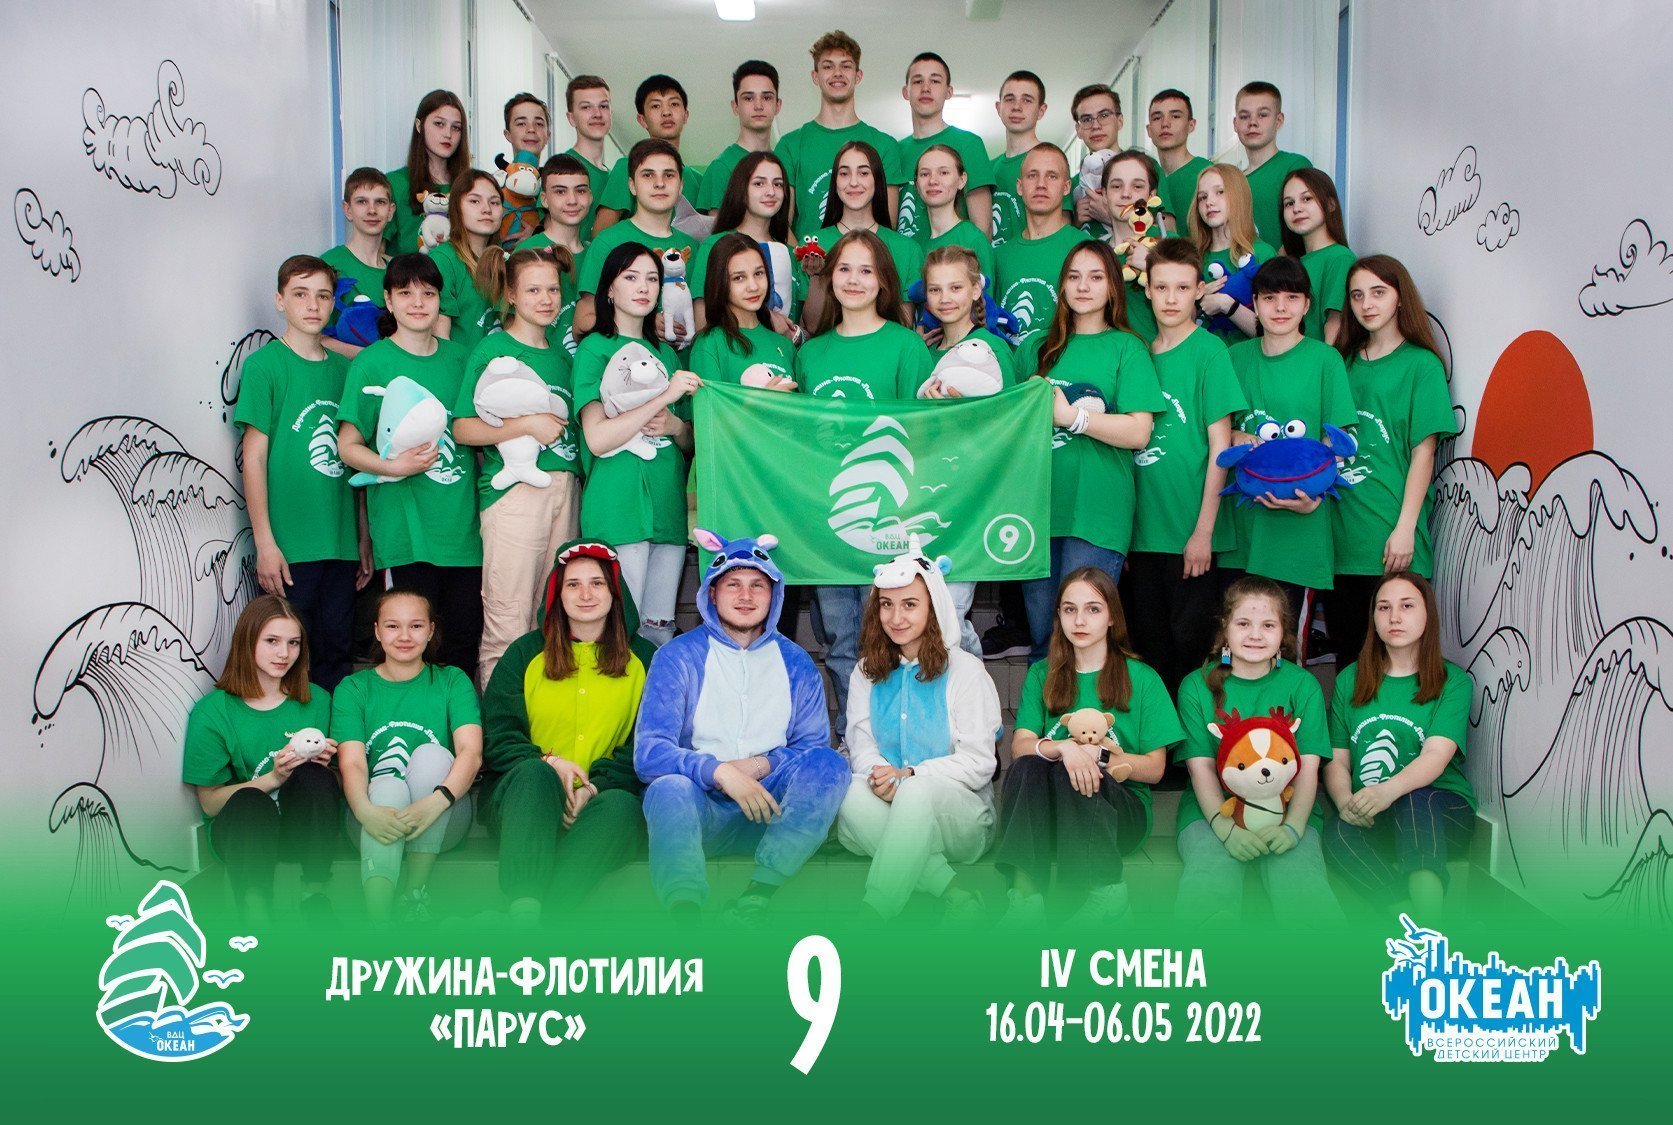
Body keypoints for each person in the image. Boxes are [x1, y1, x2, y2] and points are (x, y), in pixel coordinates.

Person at [636, 530, 847, 919]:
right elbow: (650, 752)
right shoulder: (676, 656)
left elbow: (812, 747)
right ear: (712, 593)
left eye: (757, 585)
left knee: (830, 764)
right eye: (733, 584)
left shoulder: (796, 662)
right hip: (702, 811)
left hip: (771, 810)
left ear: (774, 594)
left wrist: (756, 766)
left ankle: (758, 894)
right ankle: (684, 913)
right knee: (667, 788)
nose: (746, 596)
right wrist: (719, 772)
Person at [796, 230, 933, 730]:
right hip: (828, 518)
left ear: (884, 282)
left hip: (890, 518)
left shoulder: (906, 346)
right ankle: (852, 737)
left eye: (866, 270)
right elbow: (799, 438)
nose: (854, 280)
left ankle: (899, 736)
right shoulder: (811, 354)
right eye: (844, 269)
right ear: (829, 277)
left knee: (896, 635)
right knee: (840, 640)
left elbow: (923, 433)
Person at [993, 568, 1183, 926]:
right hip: (1052, 818)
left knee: (1070, 774)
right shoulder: (1043, 673)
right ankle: (1025, 901)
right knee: (1028, 765)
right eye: (1070, 609)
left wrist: (1099, 755)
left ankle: (1108, 894)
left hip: (1119, 817)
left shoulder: (1141, 678)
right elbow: (1020, 746)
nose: (1079, 620)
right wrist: (1066, 749)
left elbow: (1155, 769)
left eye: (1093, 609)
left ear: (1112, 617)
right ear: (1059, 616)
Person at [481, 542, 654, 923]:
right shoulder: (525, 653)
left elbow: (648, 744)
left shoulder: (645, 658)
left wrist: (594, 788)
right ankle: (524, 908)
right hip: (526, 802)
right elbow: (499, 734)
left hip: (601, 804)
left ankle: (541, 922)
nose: (586, 594)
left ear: (615, 592)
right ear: (557, 595)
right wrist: (551, 764)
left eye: (597, 583)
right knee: (534, 774)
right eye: (573, 584)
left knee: (623, 806)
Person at [1015, 241, 1165, 662]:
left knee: (1082, 640)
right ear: (1061, 285)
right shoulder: (1035, 348)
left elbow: (1139, 431)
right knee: (1044, 640)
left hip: (1098, 512)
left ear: (1113, 286)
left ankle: (1088, 709)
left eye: (1096, 277)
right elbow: (1003, 416)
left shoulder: (1127, 347)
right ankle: (1041, 710)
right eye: (1074, 276)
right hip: (1037, 511)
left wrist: (1072, 418)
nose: (1083, 286)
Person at [337, 253, 483, 681]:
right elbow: (348, 446)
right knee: (412, 646)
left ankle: (459, 724)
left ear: (441, 301)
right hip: (405, 531)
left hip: (463, 530)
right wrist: (394, 465)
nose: (418, 303)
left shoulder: (463, 359)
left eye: (428, 293)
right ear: (388, 300)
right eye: (405, 293)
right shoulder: (371, 362)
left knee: (463, 641)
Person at [836, 539, 999, 920]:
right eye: (886, 605)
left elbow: (979, 764)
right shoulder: (865, 671)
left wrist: (909, 775)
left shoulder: (966, 671)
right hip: (890, 810)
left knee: (917, 790)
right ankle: (952, 889)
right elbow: (862, 748)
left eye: (910, 604)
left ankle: (876, 911)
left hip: (960, 819)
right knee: (846, 791)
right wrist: (883, 777)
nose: (896, 617)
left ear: (934, 608)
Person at [1172, 576, 1340, 923]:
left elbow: (1308, 769)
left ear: (1283, 633)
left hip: (1289, 810)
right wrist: (1225, 829)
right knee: (1208, 881)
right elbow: (1201, 769)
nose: (1255, 635)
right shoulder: (1196, 685)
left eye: (1268, 625)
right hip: (1214, 811)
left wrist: (1293, 828)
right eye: (1243, 624)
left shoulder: (1303, 684)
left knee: (1304, 888)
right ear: (1225, 629)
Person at [238, 255, 370, 691]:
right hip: (290, 545)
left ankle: (332, 736)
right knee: (288, 658)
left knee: (336, 653)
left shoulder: (346, 371)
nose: (313, 305)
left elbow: (356, 459)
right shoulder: (265, 366)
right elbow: (254, 458)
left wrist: (363, 536)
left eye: (323, 296)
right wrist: (265, 542)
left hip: (341, 543)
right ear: (280, 301)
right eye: (300, 294)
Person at [455, 246, 580, 684]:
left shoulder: (563, 357)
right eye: (533, 290)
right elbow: (463, 428)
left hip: (566, 489)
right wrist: (525, 424)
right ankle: (499, 723)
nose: (546, 299)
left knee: (552, 620)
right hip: (515, 496)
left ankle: (536, 719)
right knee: (508, 623)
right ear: (510, 294)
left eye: (552, 290)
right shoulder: (494, 349)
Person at [1128, 238, 1245, 697]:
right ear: (1147, 290)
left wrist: (1203, 532)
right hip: (1144, 535)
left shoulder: (1210, 352)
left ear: (1199, 290)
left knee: (1193, 649)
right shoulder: (1138, 353)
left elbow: (1221, 448)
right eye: (1161, 287)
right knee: (1151, 649)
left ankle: (1196, 737)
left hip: (1191, 533)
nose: (1171, 298)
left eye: (1182, 287)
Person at [1326, 256, 1457, 663]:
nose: (1366, 304)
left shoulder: (1421, 364)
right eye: (1357, 295)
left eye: (1378, 293)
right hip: (1338, 540)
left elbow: (1424, 452)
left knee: (1397, 667)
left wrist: (1405, 528)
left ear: (1401, 298)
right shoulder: (1340, 363)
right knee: (1350, 665)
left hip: (1392, 539)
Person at [1323, 572, 1476, 918]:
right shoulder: (1350, 679)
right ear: (1373, 618)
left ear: (1427, 614)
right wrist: (1346, 802)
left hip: (1441, 815)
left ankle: (1431, 921)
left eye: (1407, 606)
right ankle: (1408, 922)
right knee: (1336, 834)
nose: (1394, 617)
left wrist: (1386, 791)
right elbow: (1337, 759)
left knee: (1416, 800)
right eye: (1384, 607)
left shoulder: (1452, 681)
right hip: (1377, 815)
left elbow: (1436, 755)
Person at [1220, 257, 1358, 638]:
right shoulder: (1233, 358)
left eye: (1292, 297)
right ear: (1254, 303)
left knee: (1283, 649)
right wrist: (1235, 435)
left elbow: (1338, 441)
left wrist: (1315, 497)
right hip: (1243, 530)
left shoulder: (1325, 360)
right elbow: (1216, 428)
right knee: (1234, 646)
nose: (1280, 307)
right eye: (1269, 298)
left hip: (1300, 533)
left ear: (1307, 304)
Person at [183, 595, 341, 926]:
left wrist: (327, 768)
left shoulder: (318, 700)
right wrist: (274, 777)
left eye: (293, 643)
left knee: (315, 777)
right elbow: (210, 804)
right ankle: (255, 912)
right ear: (248, 640)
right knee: (250, 802)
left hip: (301, 832)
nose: (284, 653)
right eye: (272, 641)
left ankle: (315, 896)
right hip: (245, 837)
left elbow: (338, 787)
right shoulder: (213, 711)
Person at [572, 242, 701, 646]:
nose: (643, 287)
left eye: (652, 279)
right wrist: (662, 399)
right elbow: (596, 438)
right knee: (618, 633)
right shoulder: (594, 348)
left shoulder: (667, 354)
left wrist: (675, 425)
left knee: (659, 632)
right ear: (609, 289)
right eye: (630, 277)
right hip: (618, 507)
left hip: (666, 506)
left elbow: (688, 441)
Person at [333, 589, 482, 925]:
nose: (404, 636)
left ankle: (414, 896)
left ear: (431, 631)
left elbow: (471, 753)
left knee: (432, 756)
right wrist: (365, 811)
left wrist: (436, 803)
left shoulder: (451, 681)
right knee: (387, 785)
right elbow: (352, 762)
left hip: (444, 814)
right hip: (371, 818)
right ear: (376, 631)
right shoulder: (353, 688)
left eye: (415, 626)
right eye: (392, 626)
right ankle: (379, 922)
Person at [920, 243, 1016, 656]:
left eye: (956, 287)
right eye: (935, 289)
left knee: (950, 615)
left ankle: (975, 695)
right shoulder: (924, 352)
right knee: (928, 612)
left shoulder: (993, 350)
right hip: (926, 498)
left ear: (977, 290)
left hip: (971, 500)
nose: (945, 298)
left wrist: (960, 415)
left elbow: (1010, 424)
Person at [776, 29, 905, 240]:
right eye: (828, 66)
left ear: (858, 76)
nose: (837, 73)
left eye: (845, 66)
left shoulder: (884, 145)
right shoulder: (790, 145)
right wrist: (804, 258)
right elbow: (781, 224)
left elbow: (886, 228)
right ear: (815, 77)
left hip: (868, 259)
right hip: (808, 259)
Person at [573, 139, 698, 344]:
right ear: (632, 185)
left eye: (669, 175)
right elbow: (582, 321)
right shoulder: (608, 241)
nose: (659, 183)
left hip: (681, 362)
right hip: (626, 360)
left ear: (681, 185)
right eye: (648, 175)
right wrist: (643, 324)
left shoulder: (694, 247)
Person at [799, 140, 923, 329]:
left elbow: (903, 328)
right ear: (835, 182)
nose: (853, 182)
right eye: (844, 173)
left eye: (864, 173)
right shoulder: (813, 245)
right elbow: (812, 326)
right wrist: (818, 277)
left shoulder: (907, 249)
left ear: (878, 180)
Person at [690, 151, 800, 333]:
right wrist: (765, 320)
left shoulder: (790, 253)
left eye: (778, 184)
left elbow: (802, 324)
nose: (771, 192)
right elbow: (703, 324)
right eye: (759, 183)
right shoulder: (714, 245)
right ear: (740, 189)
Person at [895, 52, 994, 242]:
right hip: (906, 260)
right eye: (918, 81)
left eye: (935, 81)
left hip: (953, 258)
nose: (925, 88)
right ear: (906, 92)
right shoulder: (895, 151)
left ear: (949, 92)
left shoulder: (969, 144)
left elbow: (983, 229)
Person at [993, 143, 1082, 346]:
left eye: (1052, 176)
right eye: (1032, 175)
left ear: (1066, 187)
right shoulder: (999, 256)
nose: (1041, 184)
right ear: (1019, 186)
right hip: (1011, 365)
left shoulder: (1085, 249)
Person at [592, 75, 701, 233]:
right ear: (642, 119)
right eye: (655, 106)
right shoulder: (627, 167)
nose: (666, 112)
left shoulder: (698, 180)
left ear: (686, 115)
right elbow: (601, 232)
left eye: (674, 104)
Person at [689, 233, 799, 387]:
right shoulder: (708, 344)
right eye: (738, 278)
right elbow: (708, 403)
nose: (753, 286)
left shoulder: (785, 345)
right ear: (719, 283)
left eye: (758, 273)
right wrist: (765, 398)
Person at [1190, 163, 1272, 341]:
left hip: (1250, 358)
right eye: (1202, 197)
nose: (1209, 202)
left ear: (1239, 196)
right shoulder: (1192, 258)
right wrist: (1195, 300)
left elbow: (1273, 331)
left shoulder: (1262, 253)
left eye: (1220, 192)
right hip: (1205, 357)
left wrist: (1226, 304)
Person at [520, 154, 592, 354]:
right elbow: (512, 324)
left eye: (580, 191)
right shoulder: (529, 251)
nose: (572, 200)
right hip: (541, 364)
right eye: (560, 191)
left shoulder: (596, 253)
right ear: (544, 199)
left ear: (590, 197)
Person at [386, 90, 470, 256]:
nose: (448, 134)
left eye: (456, 128)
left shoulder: (470, 186)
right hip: (407, 271)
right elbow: (376, 254)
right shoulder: (395, 184)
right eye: (439, 124)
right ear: (419, 126)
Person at [321, 167, 392, 359]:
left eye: (380, 202)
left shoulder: (398, 269)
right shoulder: (330, 264)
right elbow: (317, 337)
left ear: (390, 211)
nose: (372, 210)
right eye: (362, 202)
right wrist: (374, 357)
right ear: (347, 210)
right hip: (347, 373)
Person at [430, 169, 505, 353]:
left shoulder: (503, 259)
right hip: (459, 367)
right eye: (474, 201)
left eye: (494, 202)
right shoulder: (443, 259)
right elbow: (441, 339)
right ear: (456, 208)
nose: (487, 209)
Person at [1099, 149, 1168, 343]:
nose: (1126, 194)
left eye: (1137, 186)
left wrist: (1154, 267)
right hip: (1110, 358)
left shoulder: (1169, 243)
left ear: (1152, 195)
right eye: (1116, 186)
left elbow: (1191, 312)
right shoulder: (1094, 253)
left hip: (1159, 356)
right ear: (1104, 194)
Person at [1280, 168, 1356, 343]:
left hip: (1316, 359)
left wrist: (1326, 362)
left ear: (1330, 204)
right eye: (1289, 203)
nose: (1297, 209)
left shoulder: (1340, 258)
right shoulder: (1291, 260)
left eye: (1307, 199)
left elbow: (1335, 325)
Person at [1234, 81, 1312, 248]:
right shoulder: (1233, 180)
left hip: (1282, 264)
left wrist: (1275, 265)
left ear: (1279, 120)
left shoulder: (1294, 166)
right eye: (1244, 116)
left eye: (1262, 115)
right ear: (1235, 123)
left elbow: (1303, 230)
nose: (1252, 122)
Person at [698, 60, 782, 213]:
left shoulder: (785, 162)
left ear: (778, 105)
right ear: (735, 106)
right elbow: (717, 227)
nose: (758, 106)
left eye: (767, 97)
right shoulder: (721, 168)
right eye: (748, 98)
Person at [915, 144, 994, 281]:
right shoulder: (914, 244)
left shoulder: (973, 240)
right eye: (925, 174)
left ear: (962, 180)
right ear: (916, 184)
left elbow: (986, 293)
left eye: (944, 173)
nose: (932, 181)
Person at [990, 70, 1049, 246]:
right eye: (1010, 99)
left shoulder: (1051, 162)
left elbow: (1060, 231)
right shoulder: (988, 168)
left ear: (1041, 111)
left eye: (1027, 100)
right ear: (998, 108)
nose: (1017, 107)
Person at [1147, 88, 1211, 226]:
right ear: (1149, 130)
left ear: (1191, 125)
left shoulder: (1207, 173)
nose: (1165, 124)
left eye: (1175, 116)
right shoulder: (1146, 180)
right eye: (1157, 118)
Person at [559, 75, 613, 240]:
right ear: (571, 118)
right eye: (586, 107)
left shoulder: (615, 177)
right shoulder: (561, 167)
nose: (597, 114)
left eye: (603, 106)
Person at [1067, 84, 1123, 237]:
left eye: (1104, 116)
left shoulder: (1145, 169)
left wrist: (1111, 217)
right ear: (1078, 130)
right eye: (1087, 119)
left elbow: (1165, 232)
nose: (1096, 126)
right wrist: (1076, 222)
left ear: (1120, 120)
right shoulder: (1072, 186)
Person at [501, 92, 551, 165]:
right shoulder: (499, 173)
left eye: (539, 124)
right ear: (508, 135)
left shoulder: (557, 172)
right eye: (521, 124)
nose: (531, 129)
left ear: (548, 135)